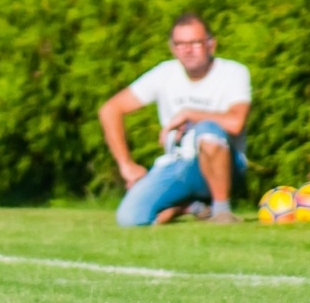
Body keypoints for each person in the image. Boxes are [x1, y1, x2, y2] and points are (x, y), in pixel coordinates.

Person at [98, 15, 251, 226]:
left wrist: (190, 114)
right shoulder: (165, 73)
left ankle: (221, 210)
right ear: (172, 48)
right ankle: (190, 206)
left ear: (211, 45)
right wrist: (126, 165)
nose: (187, 50)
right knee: (130, 219)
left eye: (194, 43)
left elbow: (236, 123)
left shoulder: (233, 72)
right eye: (180, 44)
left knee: (207, 130)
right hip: (177, 164)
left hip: (226, 164)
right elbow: (110, 109)